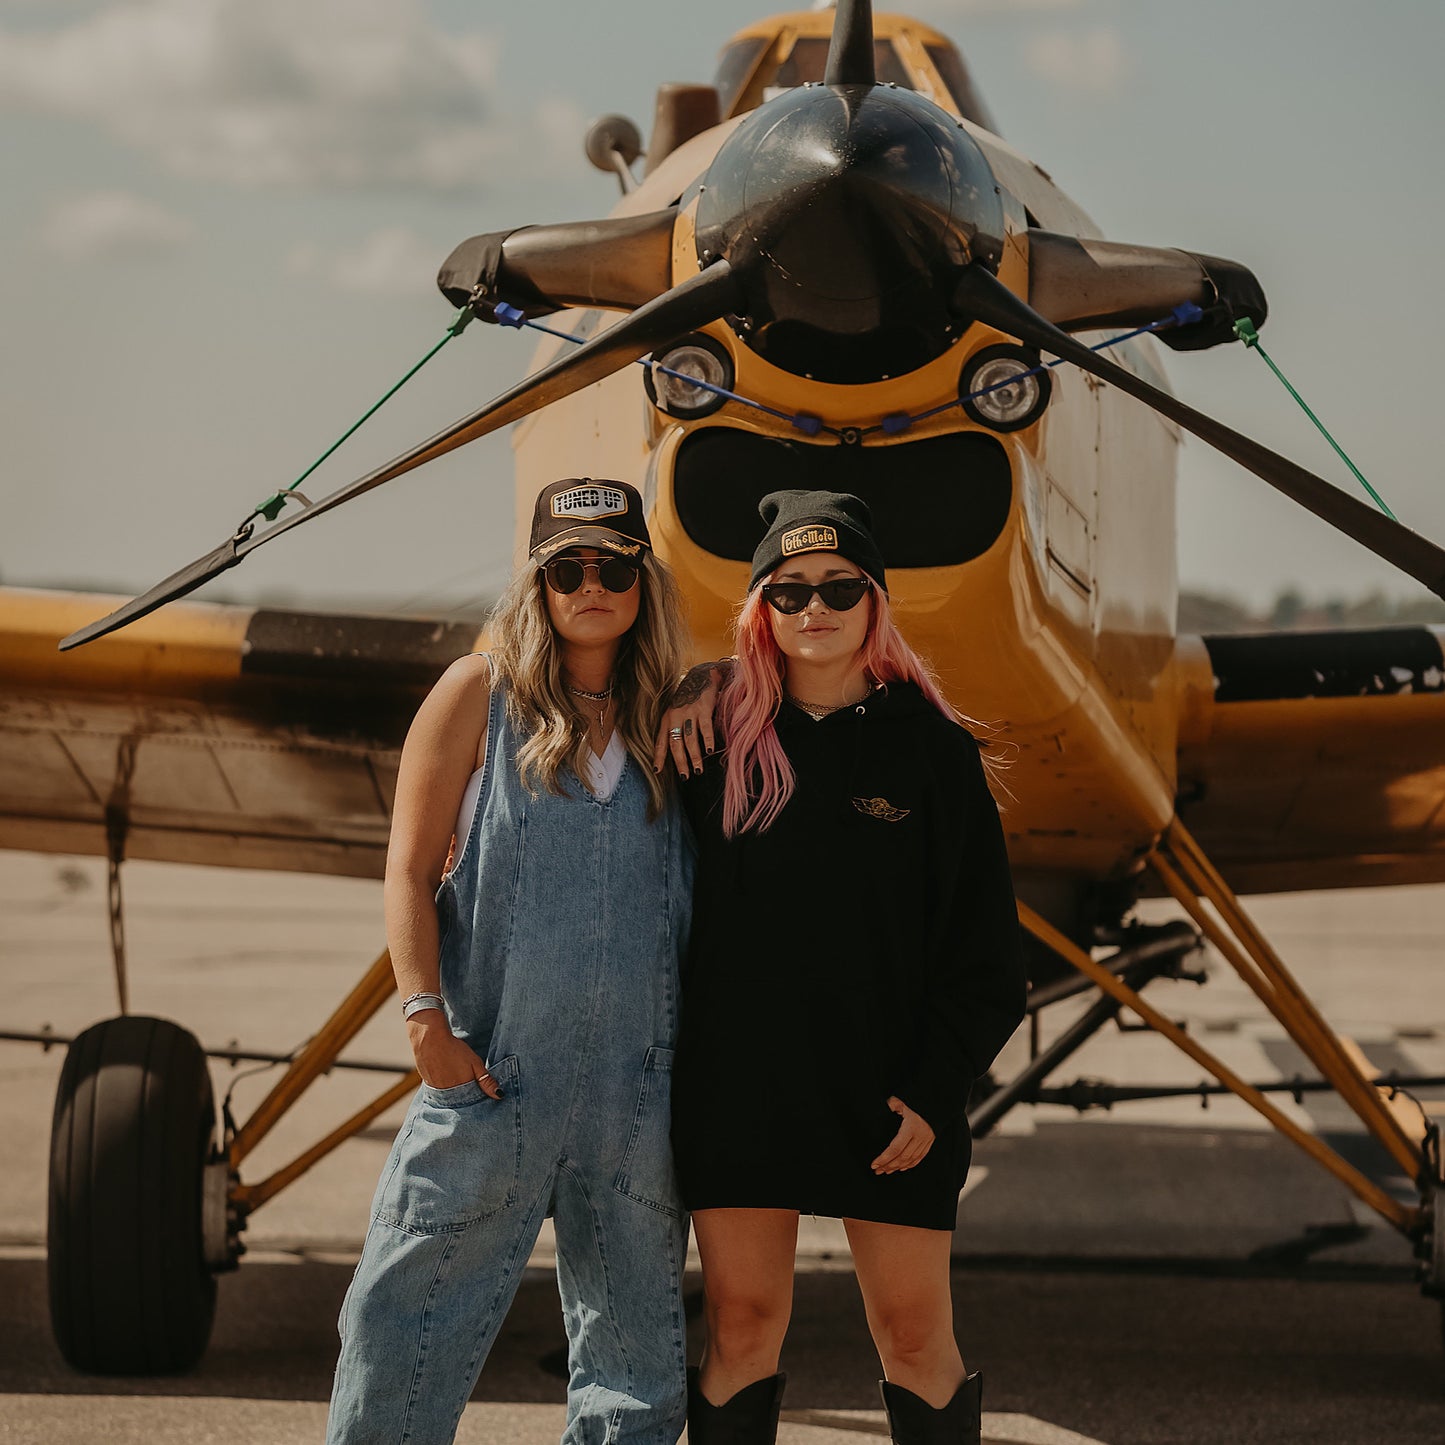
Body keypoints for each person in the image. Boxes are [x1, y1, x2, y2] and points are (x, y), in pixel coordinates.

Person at [326, 478, 695, 1445]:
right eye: (565, 566)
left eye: (613, 565)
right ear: (535, 582)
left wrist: (727, 678)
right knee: (396, 1326)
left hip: (635, 1093)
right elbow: (407, 868)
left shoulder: (675, 715)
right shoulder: (476, 694)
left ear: (641, 581)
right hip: (492, 1072)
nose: (590, 583)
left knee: (636, 1373)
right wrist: (423, 1019)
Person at [663, 490, 1027, 1445]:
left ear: (874, 602)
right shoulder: (708, 743)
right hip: (739, 1088)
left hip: (889, 1103)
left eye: (838, 587)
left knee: (913, 1336)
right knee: (741, 1326)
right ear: (759, 608)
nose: (812, 607)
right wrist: (688, 682)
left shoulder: (935, 754)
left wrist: (933, 1087)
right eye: (786, 591)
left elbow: (987, 955)